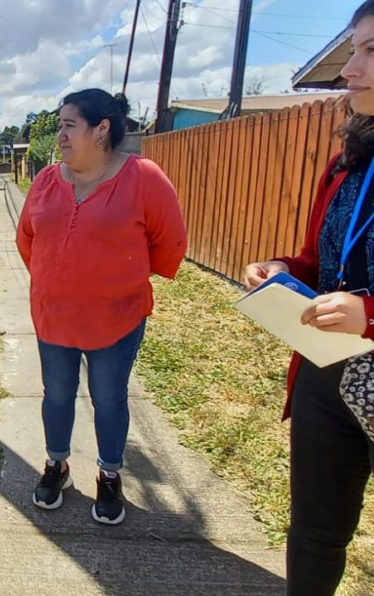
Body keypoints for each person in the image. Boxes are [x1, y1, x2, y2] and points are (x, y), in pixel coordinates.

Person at [243, 3, 374, 592]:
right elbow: (322, 263)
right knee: (316, 533)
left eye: (370, 51)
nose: (350, 69)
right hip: (326, 371)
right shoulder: (347, 164)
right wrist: (282, 269)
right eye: (353, 50)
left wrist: (369, 315)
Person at [16, 89, 186, 524]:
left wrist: (118, 283)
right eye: (60, 126)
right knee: (56, 395)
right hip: (54, 316)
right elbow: (27, 239)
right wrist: (57, 281)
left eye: (69, 125)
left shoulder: (143, 177)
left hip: (117, 318)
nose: (61, 135)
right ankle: (57, 465)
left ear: (101, 129)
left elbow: (169, 242)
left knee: (108, 398)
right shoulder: (46, 180)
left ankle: (109, 475)